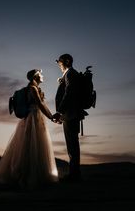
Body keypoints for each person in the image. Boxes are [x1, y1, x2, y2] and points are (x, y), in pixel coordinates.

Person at [0, 69, 58, 190]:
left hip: (35, 117)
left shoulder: (33, 88)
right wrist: (51, 117)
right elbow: (41, 105)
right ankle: (27, 176)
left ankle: (34, 174)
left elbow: (42, 105)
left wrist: (51, 117)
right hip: (33, 118)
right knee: (31, 145)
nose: (42, 76)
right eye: (40, 74)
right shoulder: (33, 88)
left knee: (34, 145)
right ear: (35, 77)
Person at [53, 54, 82, 182]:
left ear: (67, 62)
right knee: (72, 145)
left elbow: (69, 93)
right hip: (69, 114)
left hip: (70, 114)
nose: (59, 66)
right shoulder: (68, 74)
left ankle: (74, 175)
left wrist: (59, 111)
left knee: (72, 146)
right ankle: (74, 174)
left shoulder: (70, 73)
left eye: (60, 63)